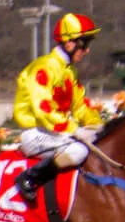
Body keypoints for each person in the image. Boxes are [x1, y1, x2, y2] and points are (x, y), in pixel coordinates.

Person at [12, 13, 104, 204]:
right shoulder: (43, 67)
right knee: (79, 150)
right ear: (69, 43)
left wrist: (98, 126)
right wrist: (75, 130)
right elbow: (43, 109)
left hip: (57, 133)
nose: (86, 50)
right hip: (36, 134)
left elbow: (80, 106)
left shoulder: (69, 71)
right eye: (84, 44)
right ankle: (29, 178)